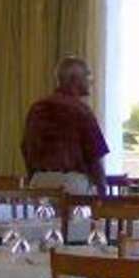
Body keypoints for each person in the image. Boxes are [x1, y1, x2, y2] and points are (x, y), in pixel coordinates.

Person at [20, 55, 109, 196]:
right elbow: (94, 155)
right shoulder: (81, 110)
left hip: (38, 183)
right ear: (74, 80)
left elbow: (26, 148)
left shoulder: (37, 108)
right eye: (87, 76)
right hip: (72, 185)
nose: (91, 81)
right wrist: (102, 192)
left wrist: (34, 179)